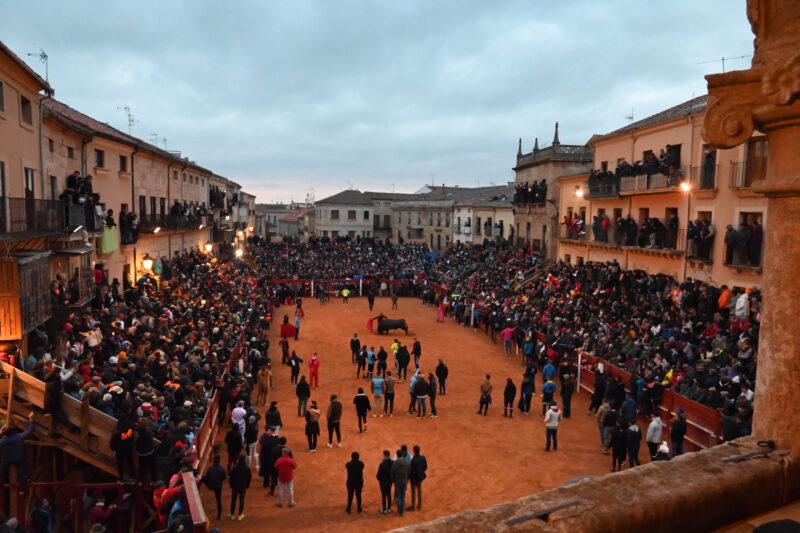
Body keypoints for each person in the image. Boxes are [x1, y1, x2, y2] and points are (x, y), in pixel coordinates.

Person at [202, 455, 227, 520]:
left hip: (210, 486)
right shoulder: (222, 469)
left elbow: (207, 477)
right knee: (218, 500)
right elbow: (224, 478)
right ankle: (219, 515)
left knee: (203, 478)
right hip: (218, 487)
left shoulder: (210, 469)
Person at [228, 454, 251, 520]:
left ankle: (232, 515)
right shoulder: (247, 468)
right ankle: (240, 515)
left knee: (233, 500)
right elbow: (249, 478)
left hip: (235, 486)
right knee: (241, 500)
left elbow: (231, 478)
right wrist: (247, 485)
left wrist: (231, 485)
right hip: (243, 487)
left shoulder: (235, 467)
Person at [391, 448, 411, 516]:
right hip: (404, 481)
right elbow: (409, 472)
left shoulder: (395, 463)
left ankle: (399, 511)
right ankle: (402, 511)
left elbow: (392, 473)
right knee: (403, 496)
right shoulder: (407, 463)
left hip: (397, 482)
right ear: (402, 455)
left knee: (399, 496)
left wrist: (394, 480)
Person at [409, 445, 428, 512]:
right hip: (420, 477)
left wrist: (410, 478)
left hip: (414, 479)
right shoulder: (423, 458)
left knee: (413, 492)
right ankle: (419, 506)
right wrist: (421, 472)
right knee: (419, 491)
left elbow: (411, 471)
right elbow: (425, 467)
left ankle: (413, 507)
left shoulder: (413, 460)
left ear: (414, 451)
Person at [376, 450, 394, 514]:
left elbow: (378, 475)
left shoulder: (382, 464)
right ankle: (389, 508)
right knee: (389, 494)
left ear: (384, 455)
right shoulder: (392, 463)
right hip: (390, 482)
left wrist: (379, 480)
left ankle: (384, 509)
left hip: (383, 482)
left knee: (384, 495)